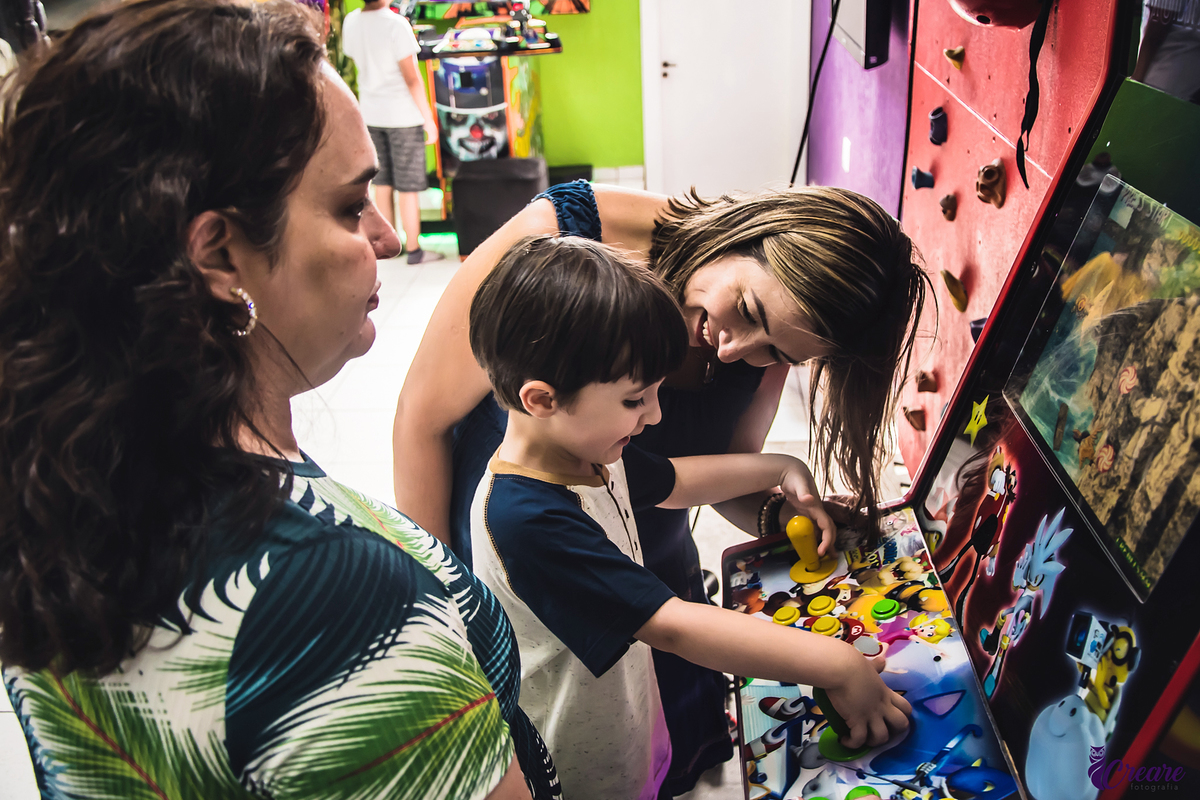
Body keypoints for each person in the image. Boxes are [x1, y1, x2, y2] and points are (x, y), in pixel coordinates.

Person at [0, 2, 557, 798]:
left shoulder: (63, 483)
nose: (387, 238)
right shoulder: (339, 604)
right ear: (220, 254)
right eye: (347, 205)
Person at [393, 180, 929, 792]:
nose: (732, 353)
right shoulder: (530, 514)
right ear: (749, 233)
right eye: (634, 398)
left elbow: (678, 476)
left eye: (774, 351)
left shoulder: (601, 460)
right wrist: (446, 630)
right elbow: (670, 623)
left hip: (630, 667)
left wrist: (780, 479)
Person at [342, 0, 444, 264]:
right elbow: (412, 78)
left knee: (382, 183)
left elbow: (354, 58)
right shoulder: (396, 25)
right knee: (408, 186)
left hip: (370, 113)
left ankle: (386, 248)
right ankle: (414, 249)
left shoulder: (351, 21)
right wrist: (428, 120)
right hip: (403, 115)